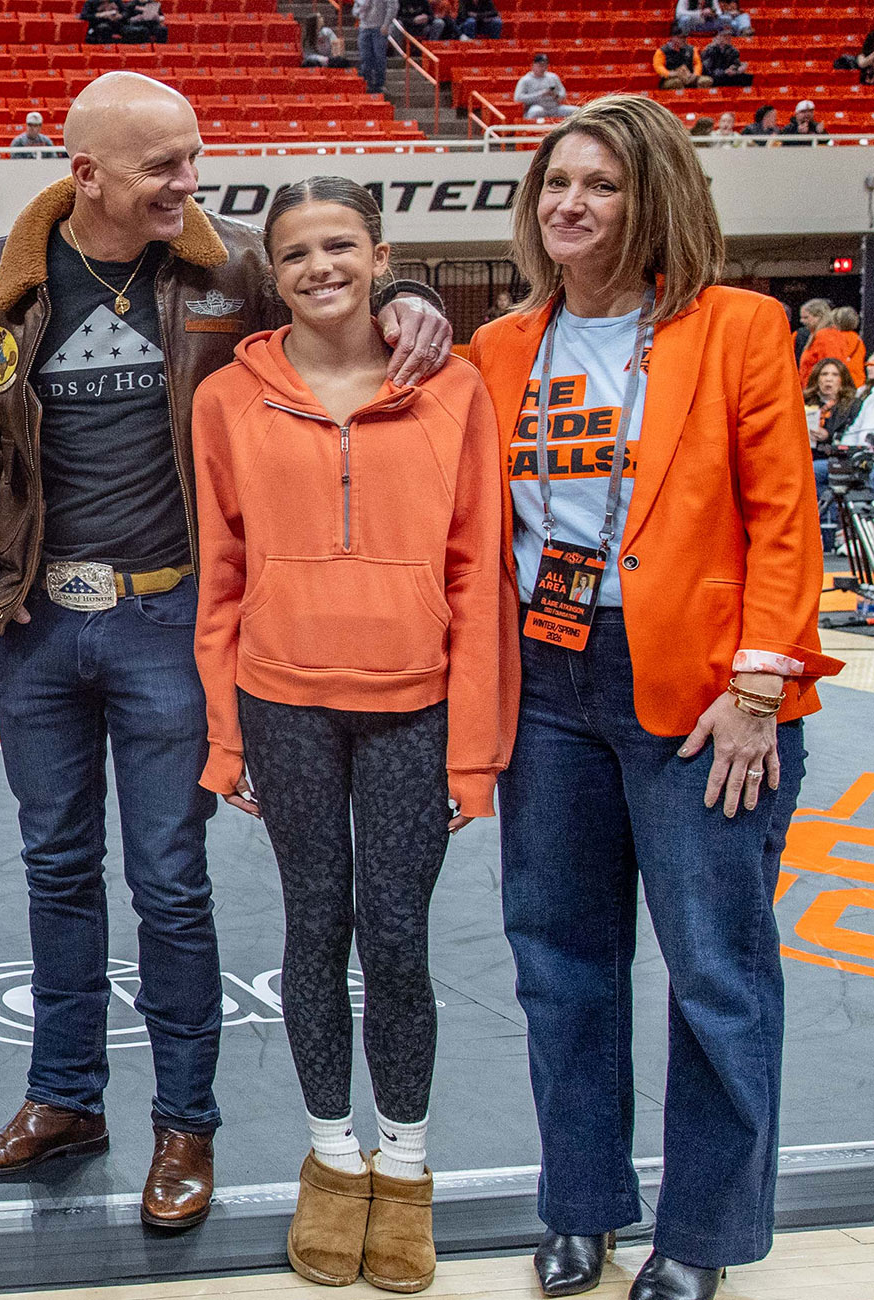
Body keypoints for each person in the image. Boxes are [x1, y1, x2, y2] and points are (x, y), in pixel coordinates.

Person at [0, 70, 452, 1230]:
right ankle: (64, 1097)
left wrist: (412, 288)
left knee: (169, 882)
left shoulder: (231, 270)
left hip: (169, 622)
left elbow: (340, 284)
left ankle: (186, 1122)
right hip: (34, 624)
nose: (190, 181)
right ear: (88, 175)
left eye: (193, 156)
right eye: (164, 164)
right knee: (55, 869)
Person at [469, 93, 840, 1300]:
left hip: (699, 692)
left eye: (602, 184)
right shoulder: (500, 348)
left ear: (655, 198)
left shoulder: (737, 328)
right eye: (555, 183)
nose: (570, 203)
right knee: (559, 959)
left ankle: (704, 1232)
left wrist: (757, 687)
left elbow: (785, 519)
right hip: (548, 681)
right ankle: (579, 1207)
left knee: (716, 969)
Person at [192, 177, 510, 1294]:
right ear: (270, 275)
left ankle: (406, 1166)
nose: (320, 267)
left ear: (381, 255)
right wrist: (225, 738)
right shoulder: (228, 397)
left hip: (414, 705)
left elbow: (476, 578)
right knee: (312, 926)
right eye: (295, 254)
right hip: (284, 701)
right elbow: (221, 572)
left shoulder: (454, 387)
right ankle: (333, 1159)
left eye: (340, 245)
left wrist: (473, 748)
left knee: (398, 938)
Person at [806, 358, 861, 548]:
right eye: (824, 374)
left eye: (834, 375)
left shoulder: (852, 405)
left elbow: (851, 437)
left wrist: (827, 436)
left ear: (842, 380)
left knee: (815, 473)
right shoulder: (805, 401)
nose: (828, 380)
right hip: (808, 456)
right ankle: (824, 531)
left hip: (838, 458)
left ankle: (838, 530)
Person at [799, 304, 864, 386]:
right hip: (856, 382)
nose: (802, 321)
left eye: (806, 317)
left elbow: (831, 363)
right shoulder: (857, 338)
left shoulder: (828, 336)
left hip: (828, 386)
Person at [514, 54, 573, 119]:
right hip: (537, 106)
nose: (543, 68)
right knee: (536, 112)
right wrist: (541, 94)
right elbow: (518, 98)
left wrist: (555, 95)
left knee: (577, 111)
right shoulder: (525, 80)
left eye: (545, 65)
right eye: (540, 65)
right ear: (533, 65)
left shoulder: (553, 77)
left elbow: (563, 94)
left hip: (554, 107)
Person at [354, 0, 392, 95]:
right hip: (364, 28)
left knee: (379, 57)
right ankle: (367, 83)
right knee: (365, 57)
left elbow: (393, 7)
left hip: (379, 28)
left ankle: (379, 84)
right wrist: (360, 12)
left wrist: (386, 24)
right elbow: (355, 10)